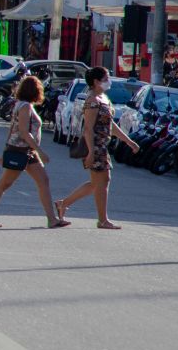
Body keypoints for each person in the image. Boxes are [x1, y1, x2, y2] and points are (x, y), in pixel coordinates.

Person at [56, 65, 140, 229]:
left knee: (97, 183)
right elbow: (88, 128)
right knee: (102, 181)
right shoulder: (92, 100)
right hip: (95, 146)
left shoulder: (103, 98)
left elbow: (110, 125)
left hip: (102, 144)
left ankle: (64, 204)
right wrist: (91, 153)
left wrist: (129, 141)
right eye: (106, 78)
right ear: (96, 81)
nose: (108, 81)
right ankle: (102, 220)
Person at [0, 75, 69, 228]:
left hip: (25, 150)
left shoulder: (21, 104)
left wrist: (5, 150)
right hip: (21, 150)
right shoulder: (25, 107)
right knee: (5, 183)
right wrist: (39, 151)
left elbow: (12, 129)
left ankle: (51, 219)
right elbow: (23, 131)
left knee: (43, 181)